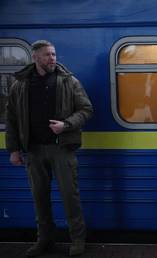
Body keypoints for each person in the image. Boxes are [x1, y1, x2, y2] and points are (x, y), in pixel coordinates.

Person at [5, 40, 93, 257]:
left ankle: (78, 240)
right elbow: (12, 119)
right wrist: (14, 150)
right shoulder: (20, 85)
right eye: (47, 55)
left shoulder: (68, 82)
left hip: (61, 149)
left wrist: (66, 125)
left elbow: (86, 109)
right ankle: (44, 240)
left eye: (54, 54)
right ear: (34, 57)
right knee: (39, 198)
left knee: (69, 197)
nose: (52, 58)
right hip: (33, 150)